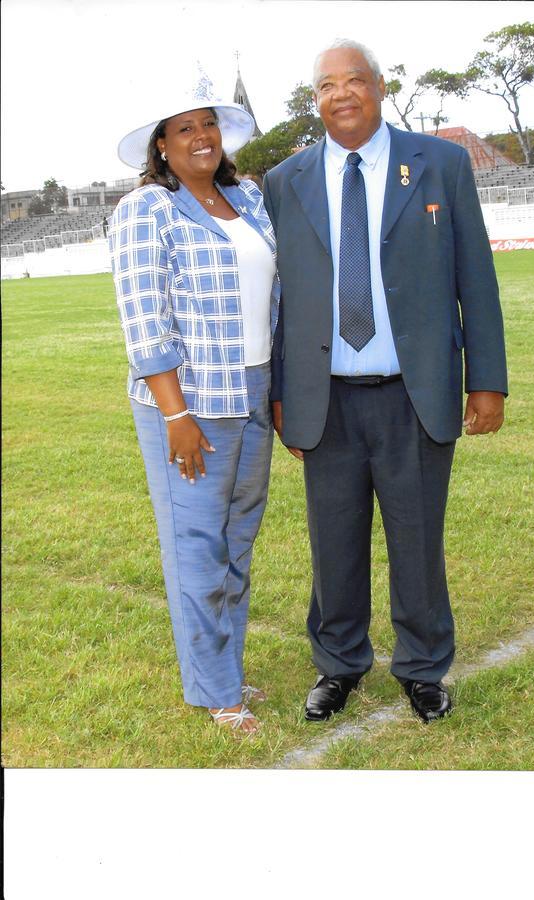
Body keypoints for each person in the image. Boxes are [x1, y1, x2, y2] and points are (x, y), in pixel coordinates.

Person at [263, 39, 507, 724]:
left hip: (414, 391)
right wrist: (282, 392)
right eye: (325, 86)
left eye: (354, 81)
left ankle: (423, 668)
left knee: (417, 540)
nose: (340, 94)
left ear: (380, 86)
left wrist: (485, 379)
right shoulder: (285, 181)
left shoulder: (442, 165)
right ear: (316, 99)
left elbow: (475, 279)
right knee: (333, 543)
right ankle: (339, 665)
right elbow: (283, 302)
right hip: (326, 399)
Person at [109, 74, 279, 734]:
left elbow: (275, 300)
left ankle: (224, 670)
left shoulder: (249, 198)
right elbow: (144, 321)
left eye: (206, 123)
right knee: (198, 550)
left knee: (237, 545)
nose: (200, 136)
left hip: (254, 394)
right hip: (191, 406)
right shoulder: (146, 209)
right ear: (161, 144)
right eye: (183, 128)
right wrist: (176, 416)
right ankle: (216, 693)